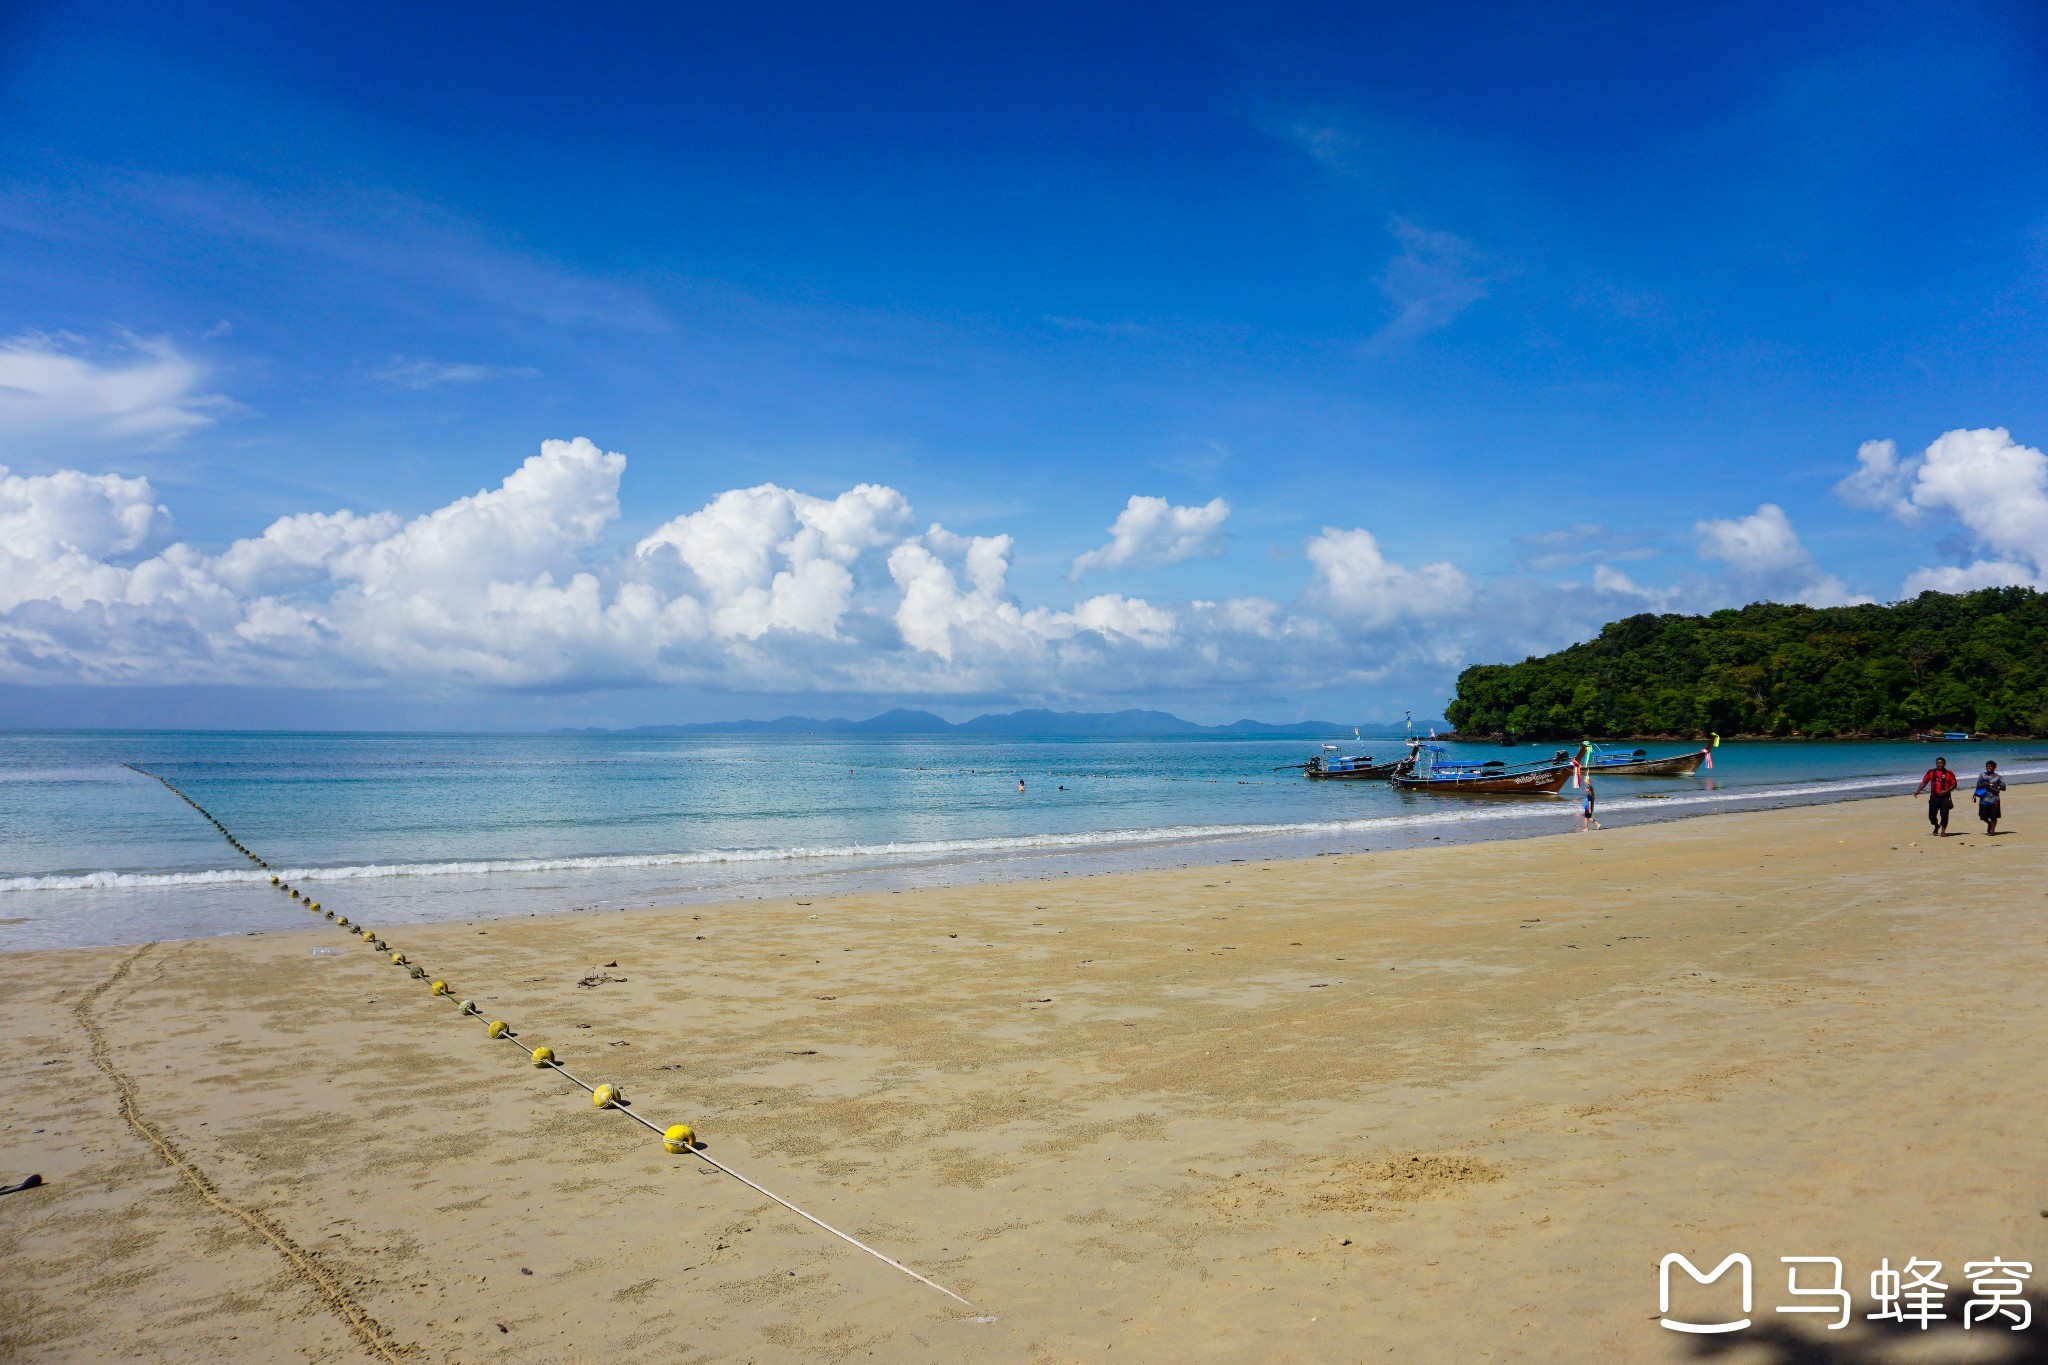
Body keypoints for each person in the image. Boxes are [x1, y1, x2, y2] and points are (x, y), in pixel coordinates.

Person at [1914, 756, 1957, 837]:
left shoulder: (1949, 773)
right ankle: (1936, 825)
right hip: (1934, 797)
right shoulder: (1931, 772)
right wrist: (1918, 790)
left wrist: (1946, 791)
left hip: (1945, 797)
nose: (1939, 764)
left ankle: (1943, 831)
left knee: (1944, 814)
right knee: (1931, 815)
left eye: (1941, 763)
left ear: (1944, 764)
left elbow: (1954, 784)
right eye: (1938, 763)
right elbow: (1924, 782)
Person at [1974, 760, 2006, 835]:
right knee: (1982, 816)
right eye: (1987, 766)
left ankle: (1992, 830)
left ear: (1994, 767)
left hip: (1994, 799)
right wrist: (1986, 784)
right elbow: (1978, 785)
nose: (1988, 768)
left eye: (1990, 766)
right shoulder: (1982, 775)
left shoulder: (1998, 777)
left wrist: (1996, 786)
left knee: (1993, 816)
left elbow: (2004, 788)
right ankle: (1989, 824)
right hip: (1983, 798)